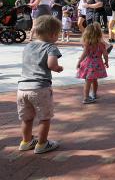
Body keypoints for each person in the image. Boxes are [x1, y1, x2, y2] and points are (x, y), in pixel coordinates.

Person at [17, 15, 63, 154]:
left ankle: (26, 142)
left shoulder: (28, 46)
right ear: (53, 34)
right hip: (40, 88)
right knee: (44, 118)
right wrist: (57, 68)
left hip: (22, 88)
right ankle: (42, 144)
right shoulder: (51, 47)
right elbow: (51, 64)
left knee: (27, 118)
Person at [76, 22, 108, 104]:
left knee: (88, 81)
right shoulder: (102, 44)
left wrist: (79, 62)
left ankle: (86, 97)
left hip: (89, 64)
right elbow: (105, 54)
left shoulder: (87, 44)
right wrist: (106, 62)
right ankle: (94, 94)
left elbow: (84, 54)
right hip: (98, 63)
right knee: (95, 80)